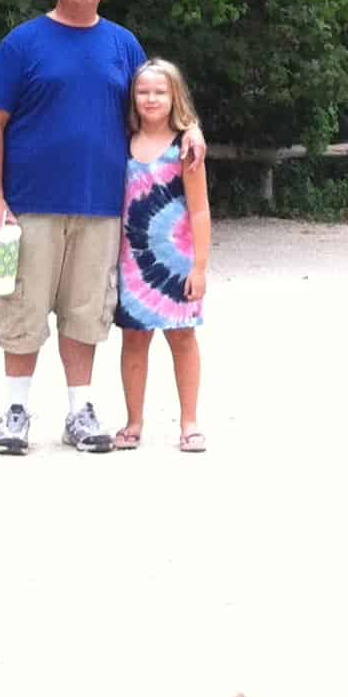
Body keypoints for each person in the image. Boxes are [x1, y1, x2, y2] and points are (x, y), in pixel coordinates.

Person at [0, 0, 148, 456]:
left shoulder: (122, 45)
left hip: (101, 204)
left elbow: (152, 110)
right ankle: (15, 411)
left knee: (86, 310)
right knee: (22, 305)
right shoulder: (24, 43)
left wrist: (192, 133)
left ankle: (79, 410)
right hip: (29, 204)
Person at [112, 58, 213, 453]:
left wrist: (200, 267)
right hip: (132, 261)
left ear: (175, 97)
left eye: (159, 92)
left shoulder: (185, 147)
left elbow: (200, 209)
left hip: (177, 261)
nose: (151, 99)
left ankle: (189, 422)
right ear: (132, 98)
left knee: (183, 339)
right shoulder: (121, 141)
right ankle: (133, 420)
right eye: (143, 92)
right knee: (134, 341)